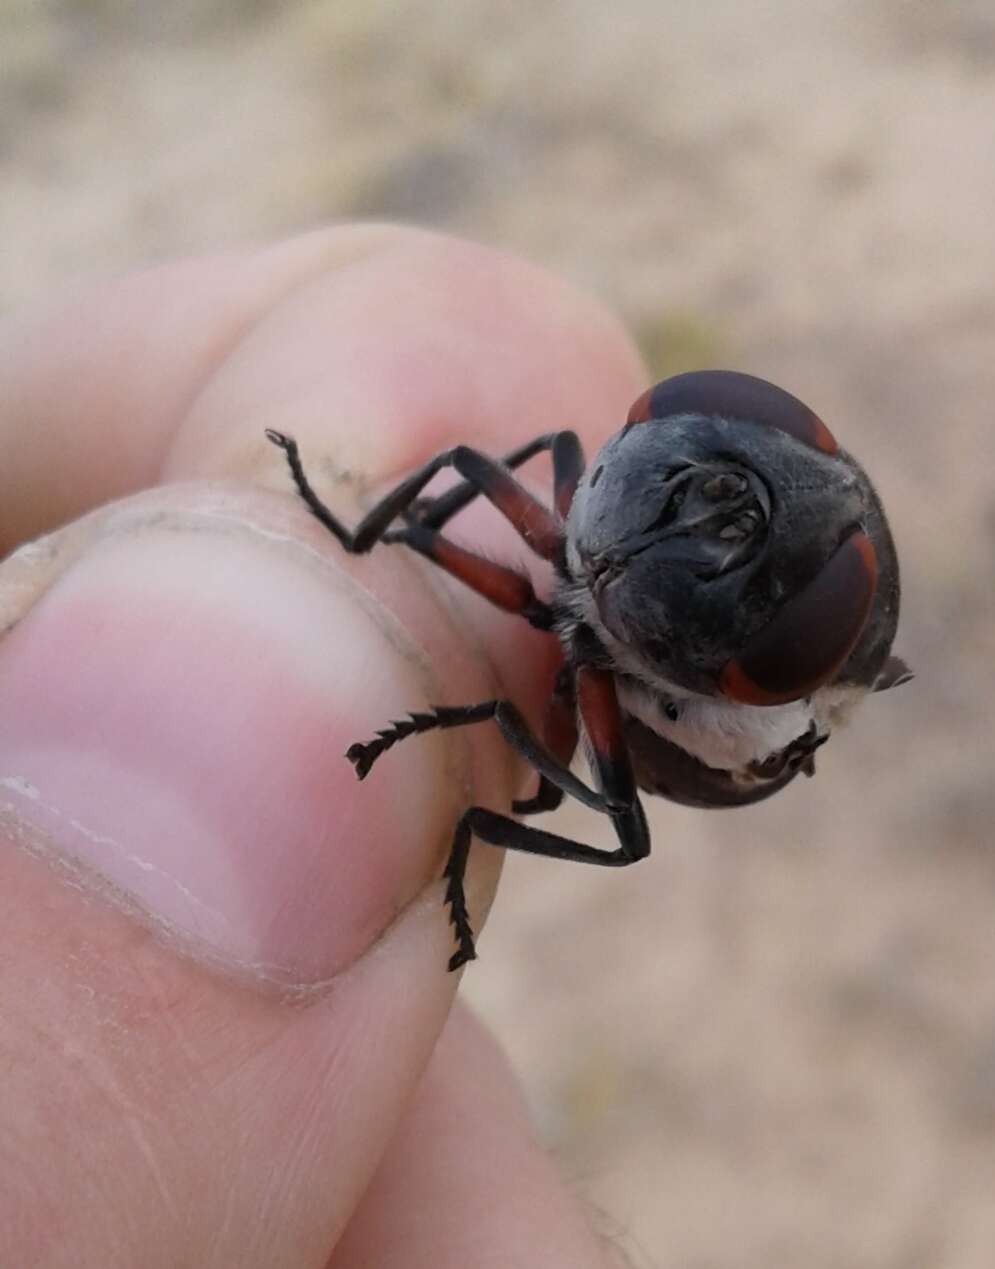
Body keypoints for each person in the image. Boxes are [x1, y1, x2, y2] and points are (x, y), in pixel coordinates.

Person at [0, 226, 642, 1267]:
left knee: (467, 535)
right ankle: (388, 593)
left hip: (613, 684)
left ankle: (431, 671)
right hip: (577, 661)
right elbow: (486, 468)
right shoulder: (565, 544)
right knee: (470, 490)